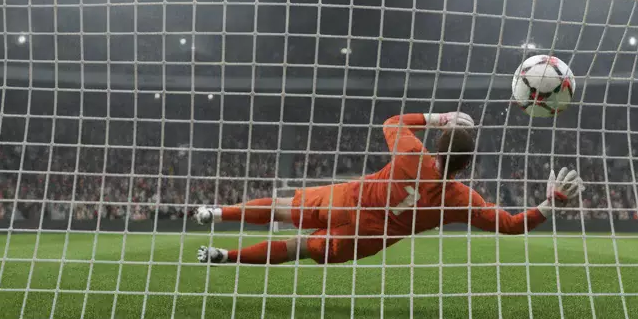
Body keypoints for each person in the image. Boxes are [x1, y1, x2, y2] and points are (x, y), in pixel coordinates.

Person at [192, 111, 583, 265]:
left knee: (280, 207)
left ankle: (217, 213)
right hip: (364, 236)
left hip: (346, 198)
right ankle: (224, 255)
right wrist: (549, 204)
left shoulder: (412, 152)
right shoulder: (461, 200)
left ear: (435, 144)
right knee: (297, 249)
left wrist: (438, 116)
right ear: (467, 166)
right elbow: (512, 225)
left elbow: (393, 122)